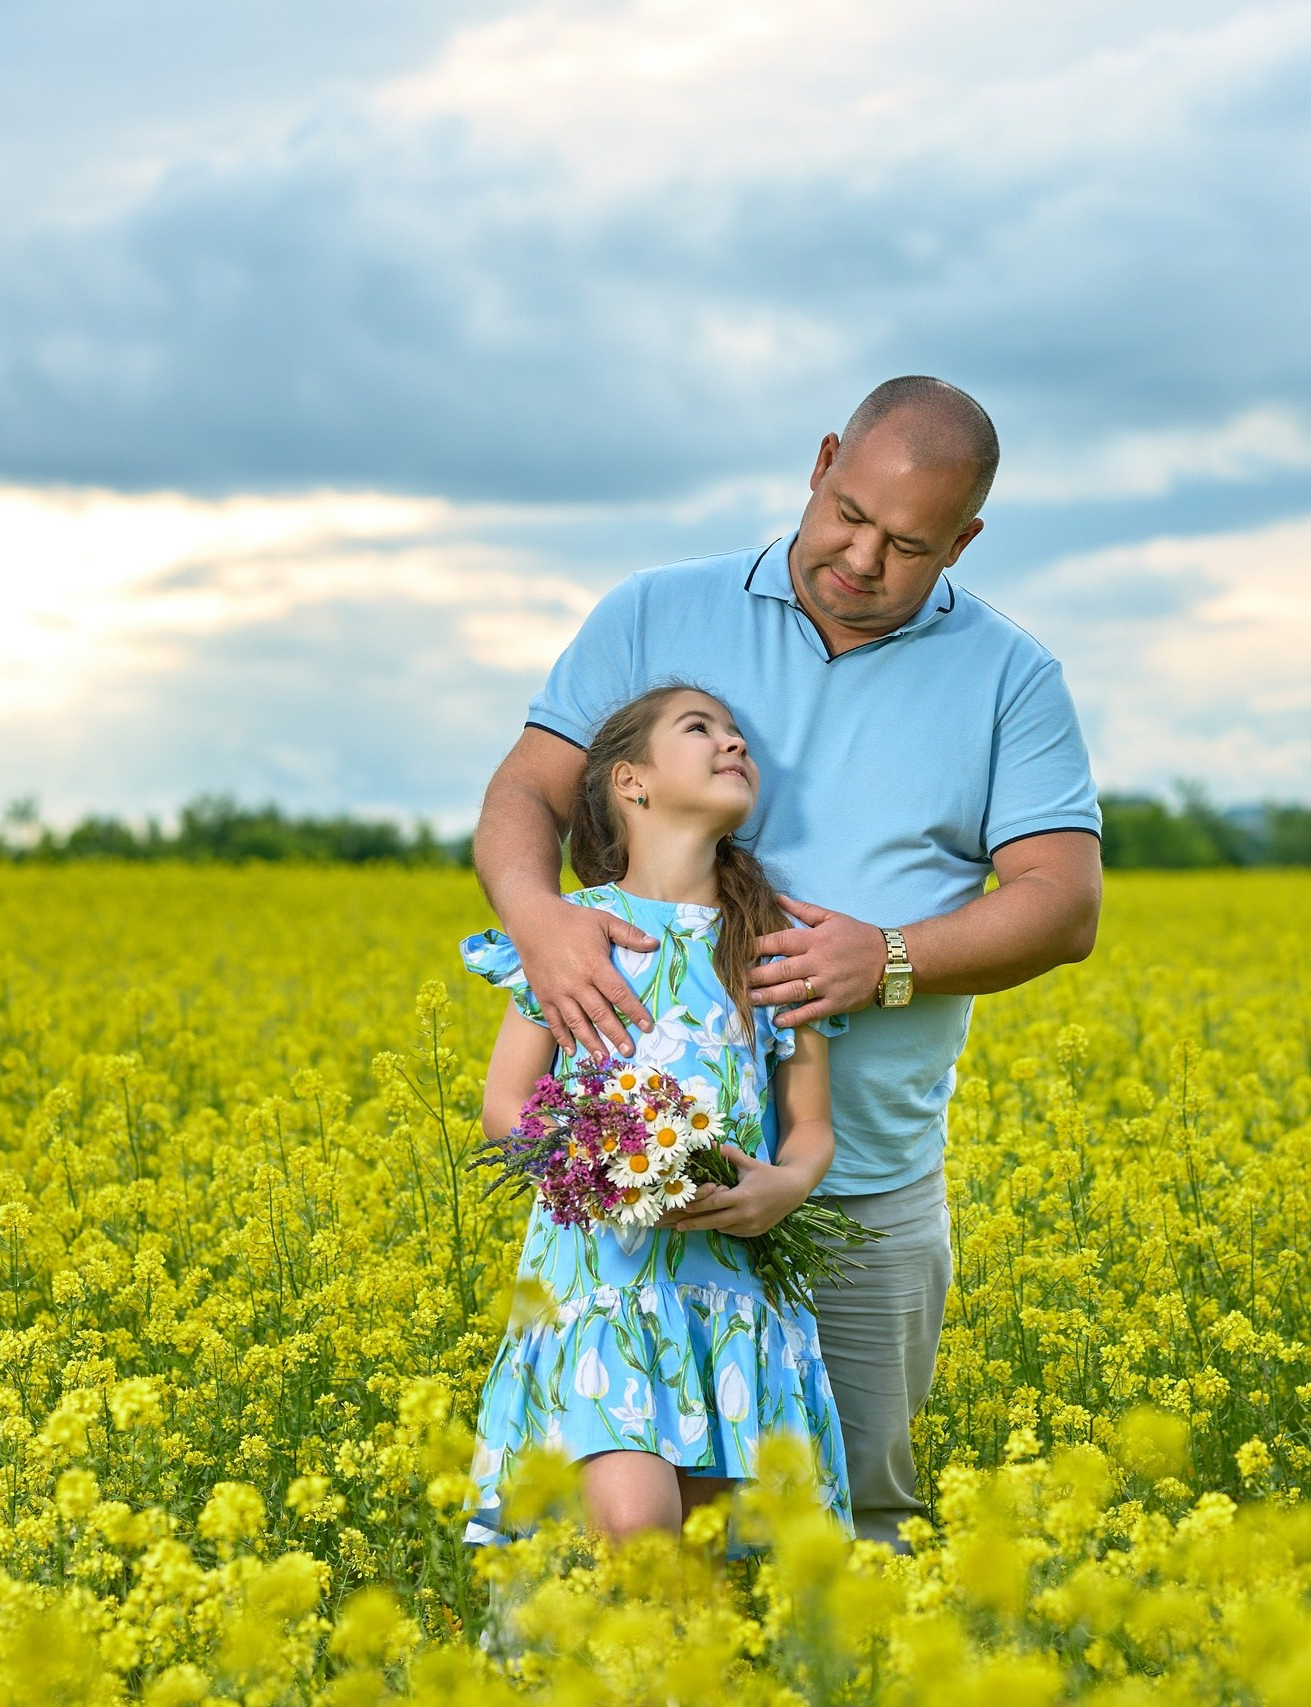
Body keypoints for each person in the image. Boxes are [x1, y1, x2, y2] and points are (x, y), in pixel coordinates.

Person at [472, 376, 1102, 1544]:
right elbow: (526, 792)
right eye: (849, 514)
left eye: (907, 545)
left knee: (847, 1532)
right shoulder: (654, 611)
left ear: (963, 541)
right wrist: (536, 917)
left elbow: (1062, 906)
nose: (862, 558)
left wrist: (889, 959)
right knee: (608, 1538)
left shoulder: (1011, 678)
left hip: (859, 1192)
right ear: (820, 464)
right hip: (632, 1235)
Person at [461, 683, 851, 1545]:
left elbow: (812, 1125)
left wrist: (783, 1188)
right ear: (630, 781)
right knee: (639, 1527)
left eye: (740, 733)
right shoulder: (572, 928)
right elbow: (505, 1105)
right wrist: (603, 1169)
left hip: (732, 1284)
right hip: (601, 1279)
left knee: (702, 1567)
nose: (733, 743)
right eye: (700, 728)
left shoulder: (772, 941)